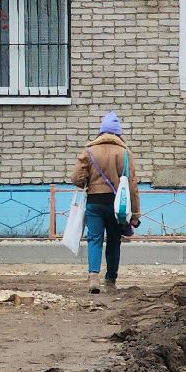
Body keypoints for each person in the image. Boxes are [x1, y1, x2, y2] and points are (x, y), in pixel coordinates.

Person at [71, 112, 141, 294]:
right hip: (117, 205)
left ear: (101, 132)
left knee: (95, 238)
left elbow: (76, 178)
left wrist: (88, 181)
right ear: (118, 134)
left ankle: (93, 277)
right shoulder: (125, 153)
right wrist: (135, 214)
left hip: (94, 202)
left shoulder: (89, 151)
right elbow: (132, 185)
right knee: (114, 241)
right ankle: (110, 280)